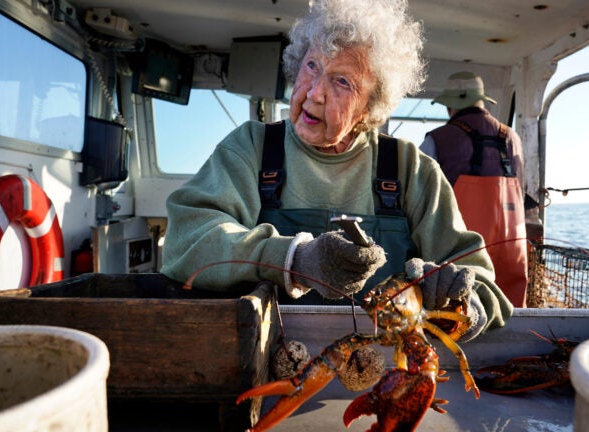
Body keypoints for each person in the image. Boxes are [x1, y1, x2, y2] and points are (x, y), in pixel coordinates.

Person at [161, 0, 512, 340]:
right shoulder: (252, 148)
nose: (314, 93)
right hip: (265, 364)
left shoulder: (411, 169)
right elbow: (185, 242)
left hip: (386, 377)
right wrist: (293, 259)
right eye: (312, 66)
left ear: (371, 107)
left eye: (342, 82)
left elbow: (484, 288)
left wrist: (459, 302)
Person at [420, 71, 529, 307]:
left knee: (460, 310)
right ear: (481, 101)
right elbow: (522, 187)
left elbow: (419, 195)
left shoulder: (437, 139)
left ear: (451, 106)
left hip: (462, 250)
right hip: (511, 246)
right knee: (510, 310)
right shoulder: (513, 138)